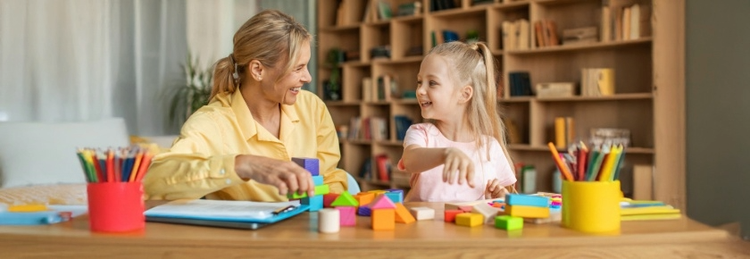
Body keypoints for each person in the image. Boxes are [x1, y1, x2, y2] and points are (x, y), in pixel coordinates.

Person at [144, 9, 347, 201]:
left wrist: (334, 207)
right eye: (298, 68)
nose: (308, 77)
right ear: (258, 70)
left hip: (308, 233)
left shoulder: (312, 108)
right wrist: (241, 164)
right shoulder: (214, 122)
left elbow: (329, 176)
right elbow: (154, 180)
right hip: (247, 238)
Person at [398, 41, 516, 202]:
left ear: (464, 95)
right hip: (423, 227)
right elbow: (410, 161)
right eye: (420, 82)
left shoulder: (490, 147)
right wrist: (446, 154)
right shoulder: (421, 133)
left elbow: (510, 200)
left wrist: (499, 198)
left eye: (432, 83)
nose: (420, 90)